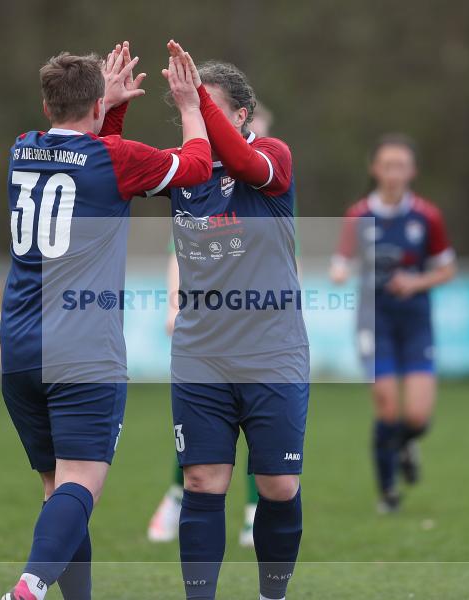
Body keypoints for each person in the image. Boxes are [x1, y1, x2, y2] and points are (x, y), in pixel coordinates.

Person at [0, 44, 212, 600]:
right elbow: (193, 168)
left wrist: (106, 109)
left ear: (47, 105)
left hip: (20, 346)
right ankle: (28, 585)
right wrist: (190, 106)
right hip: (83, 347)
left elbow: (90, 156)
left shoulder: (23, 149)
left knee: (58, 494)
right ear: (95, 105)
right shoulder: (115, 161)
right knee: (81, 487)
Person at [164, 41, 308, 600]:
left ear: (243, 115)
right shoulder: (184, 173)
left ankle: (272, 594)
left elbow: (246, 165)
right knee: (203, 482)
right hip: (202, 353)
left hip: (273, 351)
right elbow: (111, 164)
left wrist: (194, 96)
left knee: (276, 485)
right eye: (191, 111)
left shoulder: (271, 155)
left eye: (212, 110)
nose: (197, 120)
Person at [146, 101, 276, 549]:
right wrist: (172, 304)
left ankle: (254, 513)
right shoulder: (199, 185)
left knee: (258, 427)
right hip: (206, 329)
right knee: (205, 430)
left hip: (256, 331)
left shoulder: (266, 184)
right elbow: (176, 253)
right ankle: (176, 494)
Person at [330, 134, 456, 513]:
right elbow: (341, 260)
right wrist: (339, 271)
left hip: (415, 321)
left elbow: (447, 269)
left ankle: (405, 444)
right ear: (375, 169)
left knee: (417, 416)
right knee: (387, 409)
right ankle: (387, 492)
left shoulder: (426, 216)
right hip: (374, 322)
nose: (394, 173)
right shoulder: (357, 216)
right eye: (387, 165)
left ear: (412, 171)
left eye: (401, 165)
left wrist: (415, 282)